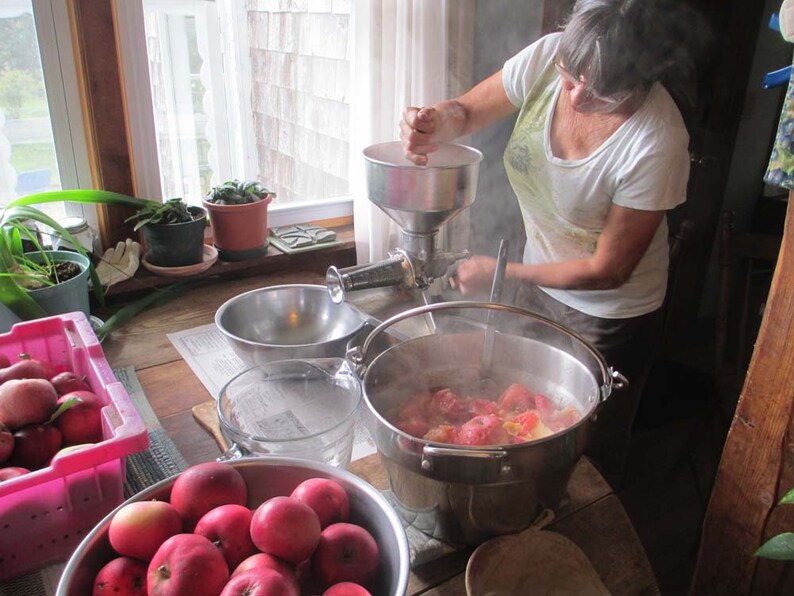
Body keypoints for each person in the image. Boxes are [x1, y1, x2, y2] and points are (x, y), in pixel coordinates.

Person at [399, 0, 703, 486]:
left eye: (603, 93)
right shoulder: (548, 57)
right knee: (519, 417)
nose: (578, 97)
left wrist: (506, 273)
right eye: (570, 77)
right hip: (540, 279)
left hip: (608, 314)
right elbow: (467, 110)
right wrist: (431, 122)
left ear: (644, 81)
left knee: (585, 452)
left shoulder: (657, 140)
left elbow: (610, 269)